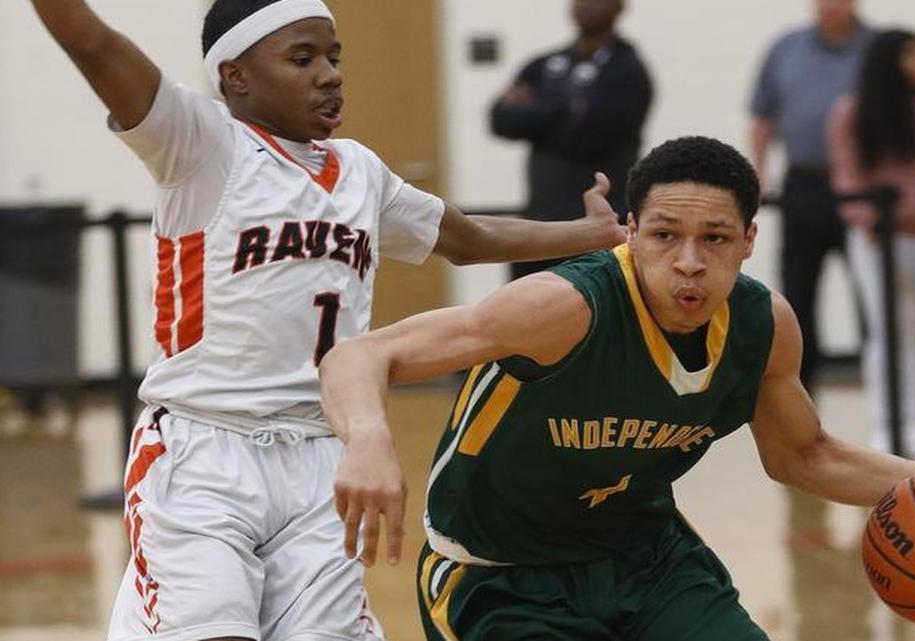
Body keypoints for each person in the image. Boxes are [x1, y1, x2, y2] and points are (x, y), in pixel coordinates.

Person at [28, 0, 627, 639]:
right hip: (203, 449)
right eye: (303, 58)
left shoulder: (361, 172)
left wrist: (592, 234)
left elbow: (470, 238)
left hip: (321, 455)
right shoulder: (202, 143)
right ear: (236, 76)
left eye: (334, 57)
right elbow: (91, 43)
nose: (331, 74)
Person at [319, 136, 915, 640]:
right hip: (503, 574)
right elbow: (361, 355)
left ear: (750, 238)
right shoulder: (564, 309)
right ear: (629, 232)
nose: (689, 263)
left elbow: (804, 454)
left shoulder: (762, 325)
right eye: (664, 236)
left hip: (648, 559)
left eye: (716, 239)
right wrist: (372, 439)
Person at [827, 29, 915, 464]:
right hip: (883, 238)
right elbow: (848, 176)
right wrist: (869, 220)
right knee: (887, 330)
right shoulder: (854, 112)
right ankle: (886, 422)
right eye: (909, 54)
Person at [749, 0, 875, 396]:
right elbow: (763, 117)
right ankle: (800, 397)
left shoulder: (876, 48)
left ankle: (884, 402)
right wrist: (759, 173)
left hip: (864, 188)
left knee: (873, 296)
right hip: (803, 184)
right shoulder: (786, 48)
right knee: (798, 293)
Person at [491, 0, 652, 280]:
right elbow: (501, 119)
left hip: (601, 229)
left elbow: (589, 136)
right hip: (540, 223)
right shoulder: (542, 65)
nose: (586, 5)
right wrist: (567, 109)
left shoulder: (629, 71)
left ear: (619, 7)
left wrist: (536, 114)